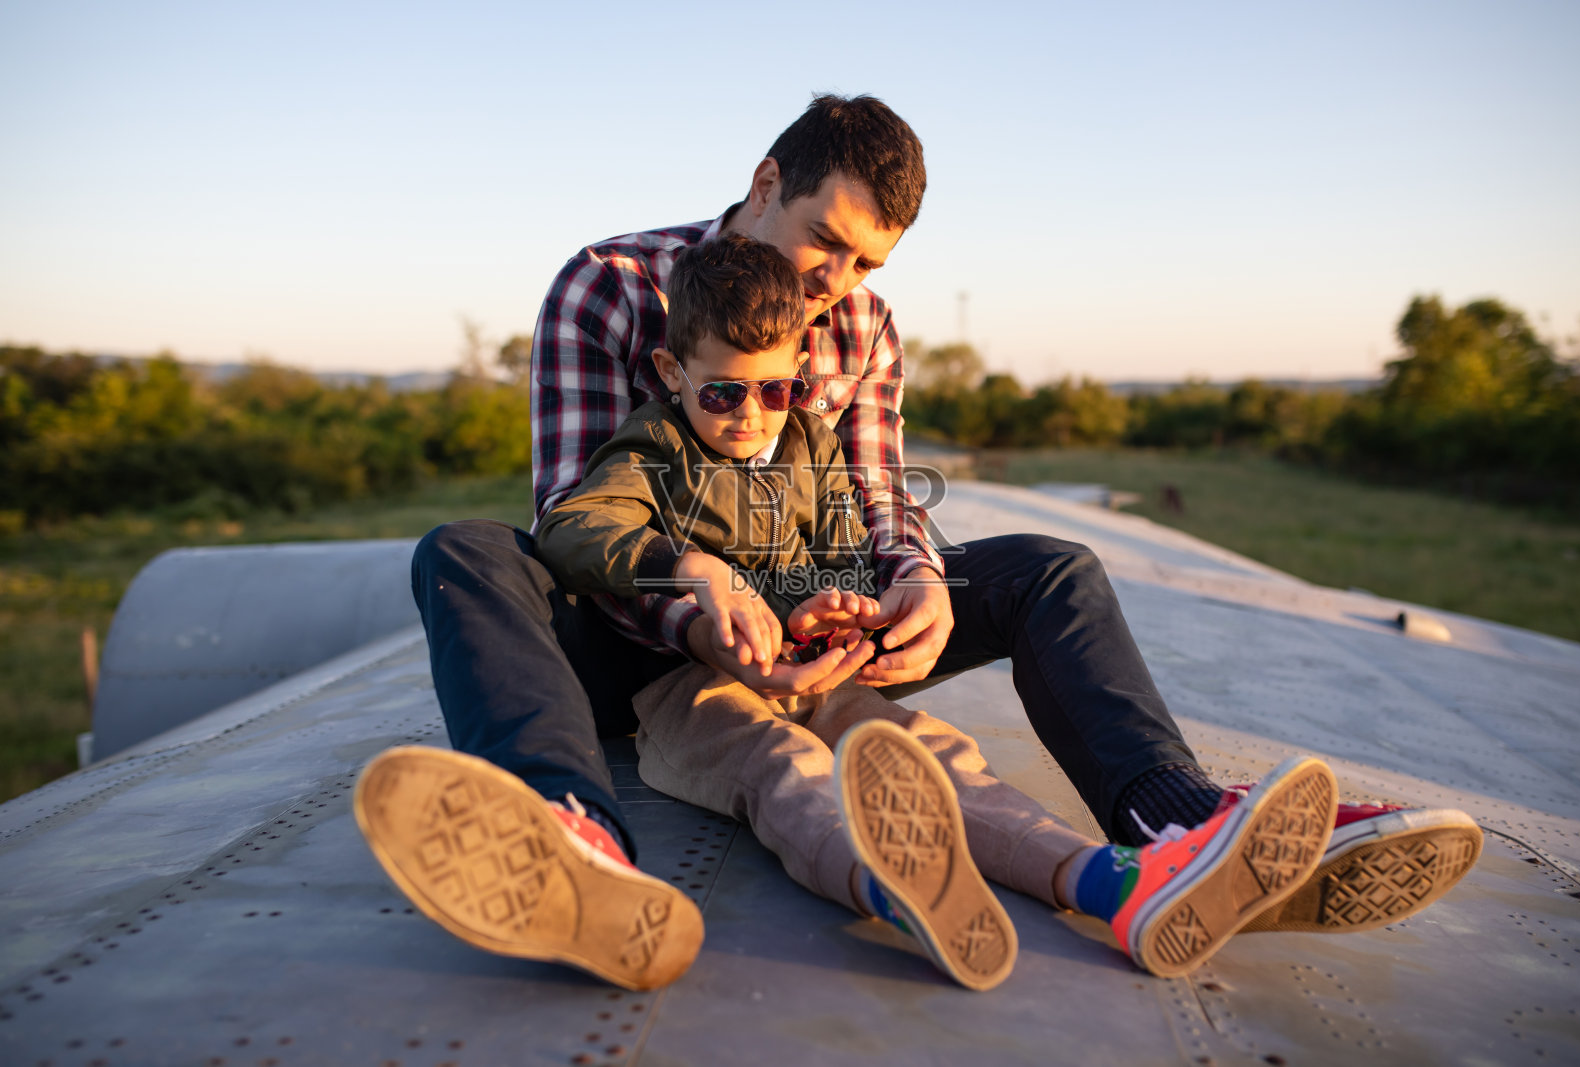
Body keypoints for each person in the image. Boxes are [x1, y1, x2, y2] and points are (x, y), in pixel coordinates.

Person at [354, 93, 1482, 992]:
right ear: (765, 183)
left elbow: (879, 500)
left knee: (1050, 567)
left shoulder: (859, 324)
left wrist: (910, 585)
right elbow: (573, 521)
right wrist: (701, 598)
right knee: (465, 547)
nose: (835, 285)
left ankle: (1179, 829)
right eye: (823, 244)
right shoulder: (612, 288)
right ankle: (570, 830)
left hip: (808, 622)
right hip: (643, 646)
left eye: (863, 267)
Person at [530, 232, 1353, 989]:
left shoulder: (809, 444)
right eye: (723, 392)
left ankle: (1112, 884)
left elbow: (846, 543)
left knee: (933, 755)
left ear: (799, 374)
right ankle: (894, 883)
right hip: (693, 683)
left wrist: (836, 600)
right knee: (784, 771)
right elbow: (574, 526)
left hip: (814, 671)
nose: (751, 414)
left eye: (776, 388)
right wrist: (694, 568)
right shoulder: (653, 448)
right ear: (674, 375)